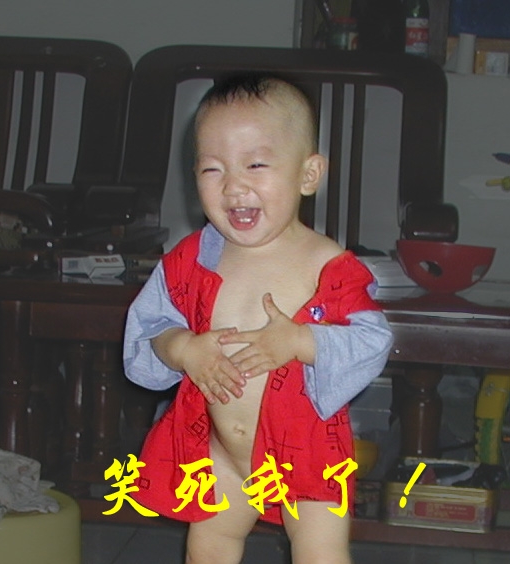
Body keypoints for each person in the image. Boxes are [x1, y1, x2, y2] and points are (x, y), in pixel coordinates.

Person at [123, 74, 393, 564]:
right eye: (212, 169)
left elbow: (371, 340)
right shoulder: (192, 260)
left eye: (256, 165)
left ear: (308, 175)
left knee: (320, 553)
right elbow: (149, 326)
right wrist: (182, 347)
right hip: (223, 449)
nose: (233, 185)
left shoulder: (326, 266)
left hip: (309, 450)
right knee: (208, 546)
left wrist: (301, 342)